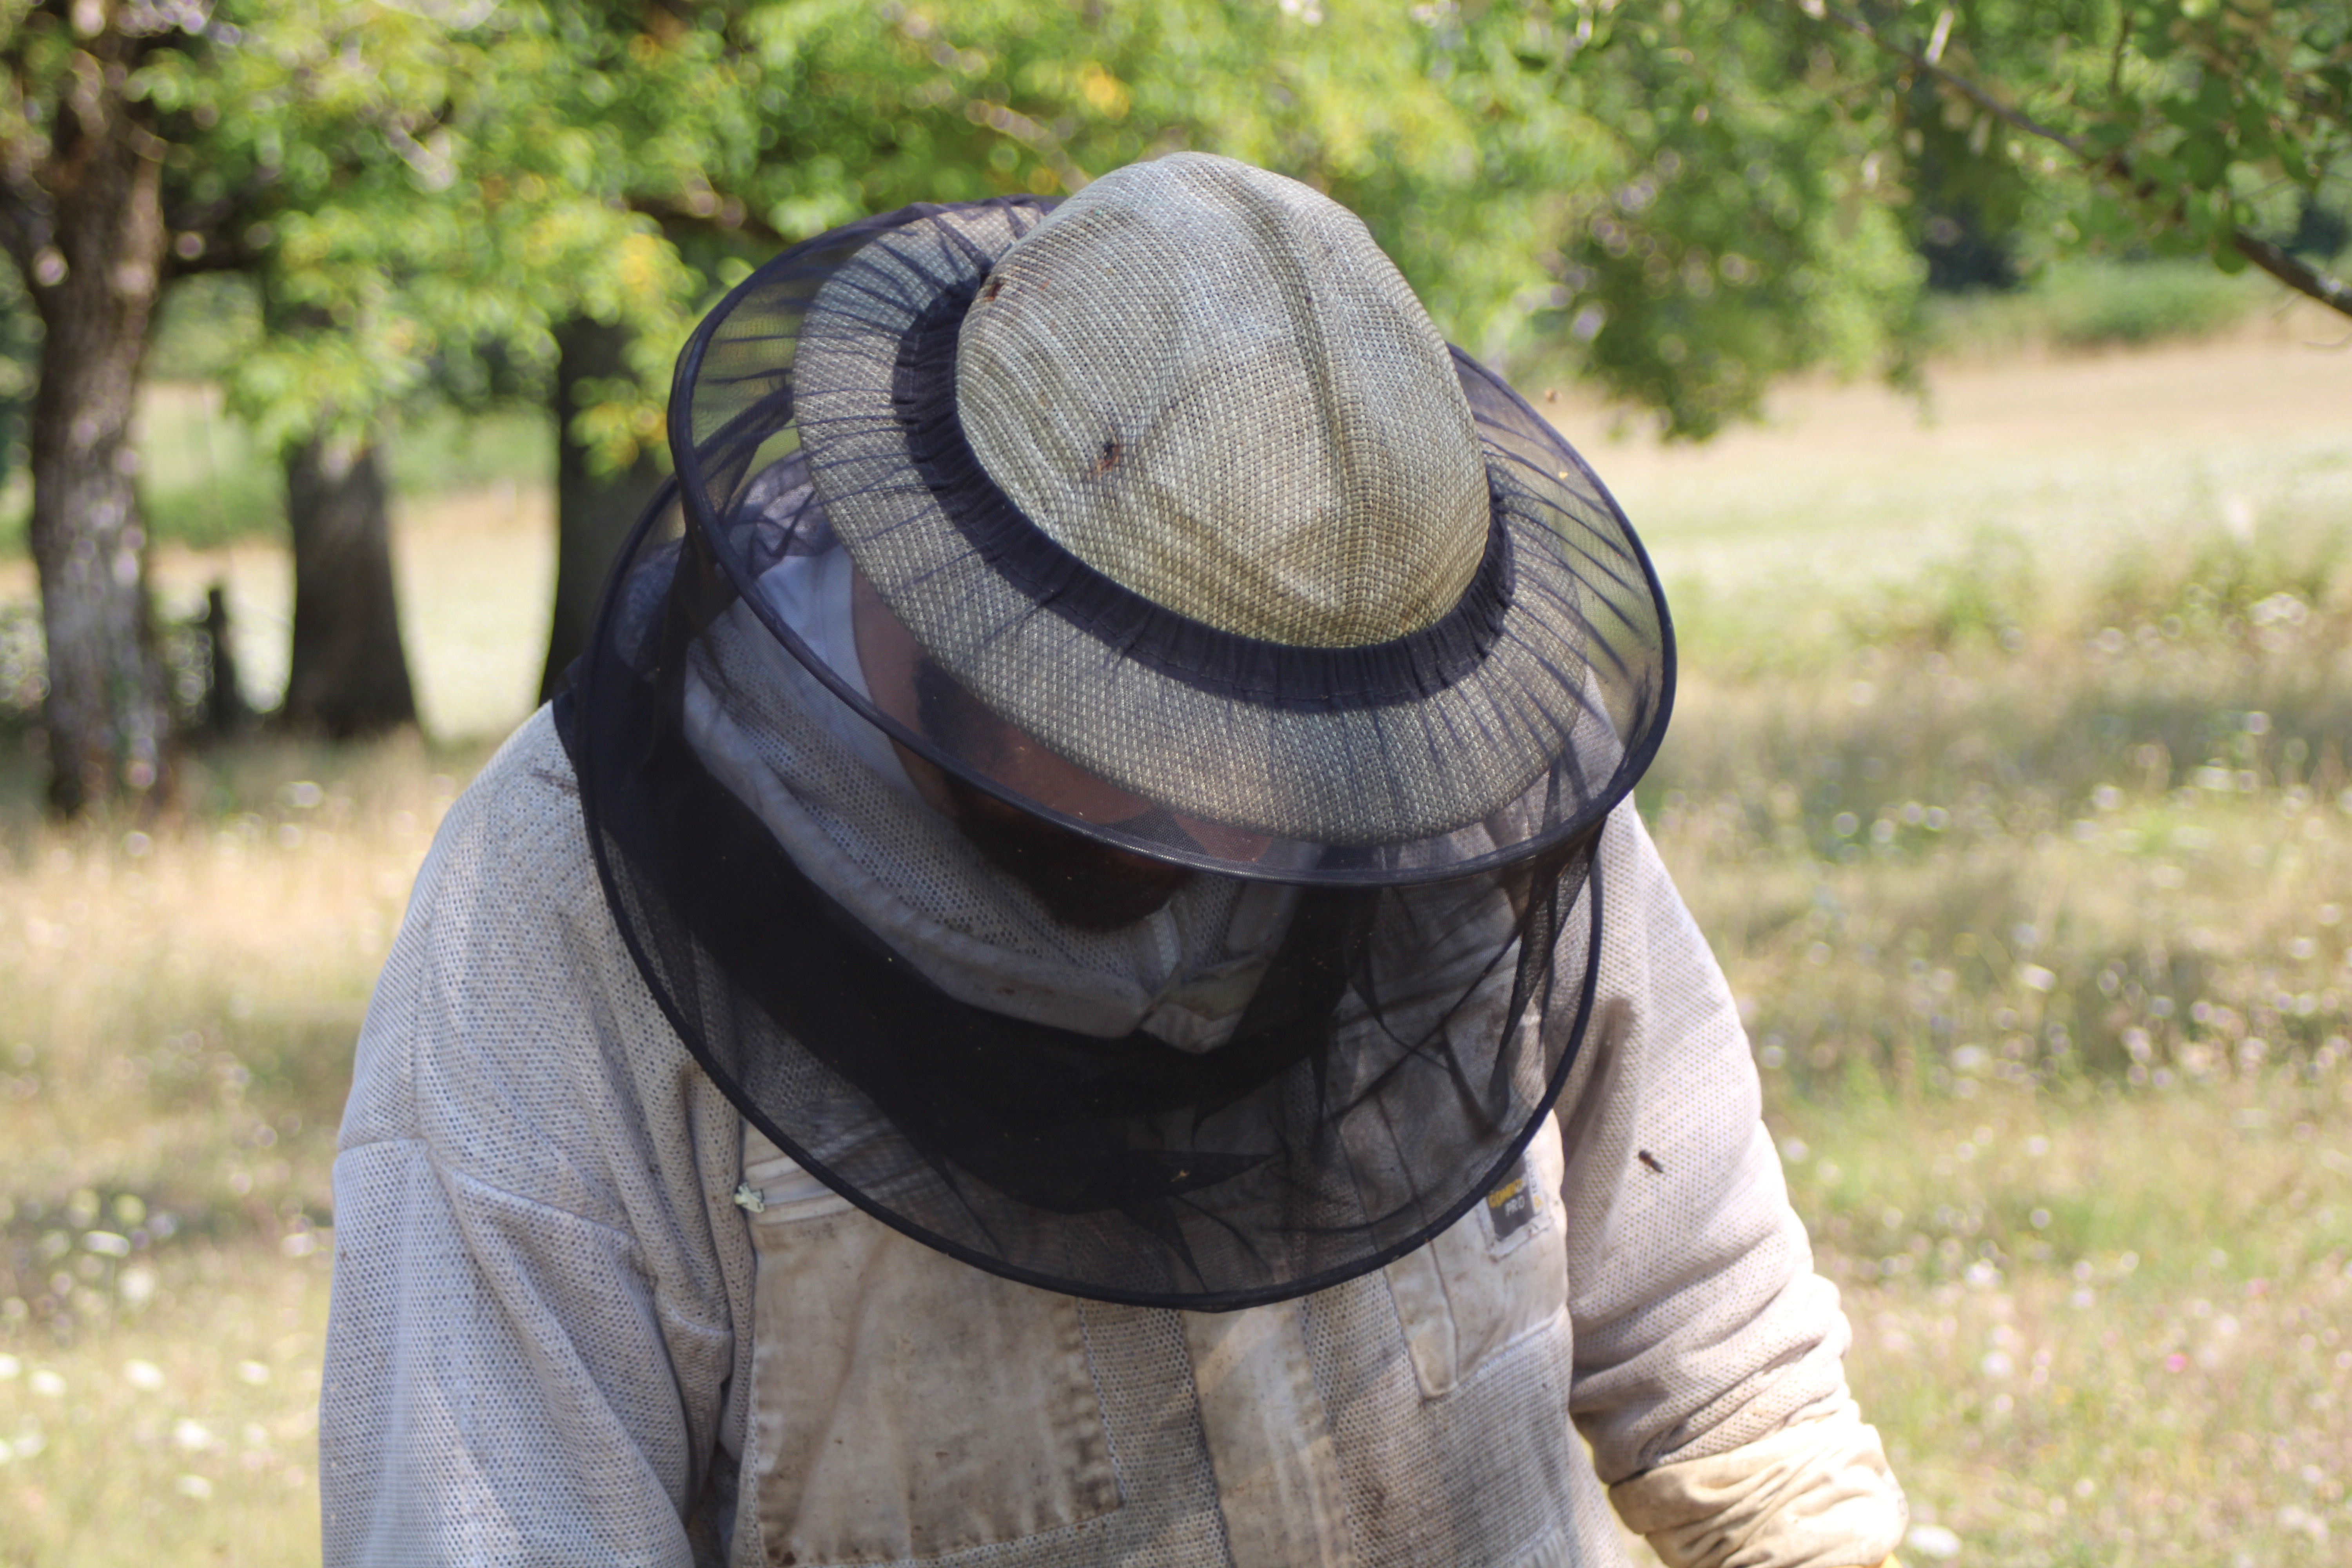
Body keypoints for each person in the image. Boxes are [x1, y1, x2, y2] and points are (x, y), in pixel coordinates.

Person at [321, 154, 1908, 1568]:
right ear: (929, 582)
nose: (1237, 830)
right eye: (1150, 742)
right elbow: (482, 1519)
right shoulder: (550, 917)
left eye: (1293, 757)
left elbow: (1727, 1360)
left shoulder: (1440, 781)